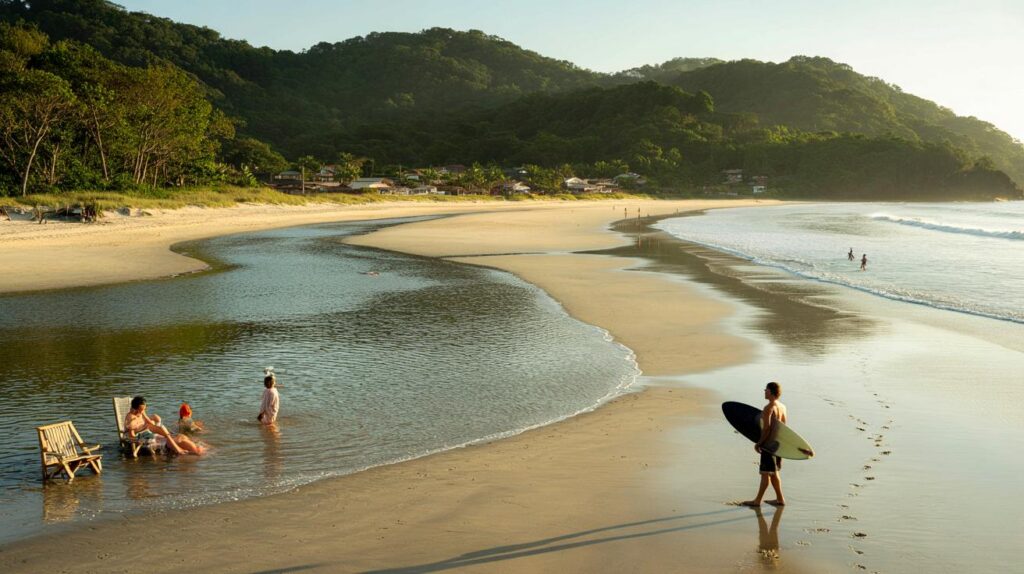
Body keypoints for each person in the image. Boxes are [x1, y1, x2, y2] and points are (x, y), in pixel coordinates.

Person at [743, 382, 787, 507]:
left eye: (766, 390)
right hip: (777, 444)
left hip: (768, 444)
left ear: (771, 392)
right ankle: (780, 499)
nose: (764, 391)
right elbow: (784, 428)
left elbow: (766, 429)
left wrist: (759, 443)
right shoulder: (783, 407)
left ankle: (757, 501)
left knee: (765, 473)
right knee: (774, 473)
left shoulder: (769, 408)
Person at [124, 396, 205, 455]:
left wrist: (146, 418)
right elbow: (131, 436)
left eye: (145, 409)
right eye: (142, 410)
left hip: (150, 434)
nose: (144, 411)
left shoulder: (139, 413)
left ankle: (195, 448)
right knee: (178, 440)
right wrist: (144, 429)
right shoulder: (131, 418)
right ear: (136, 409)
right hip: (145, 437)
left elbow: (150, 423)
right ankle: (180, 449)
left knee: (181, 436)